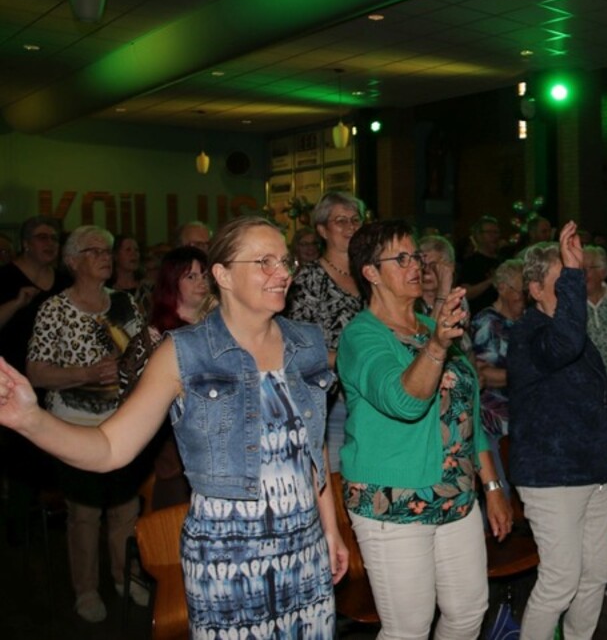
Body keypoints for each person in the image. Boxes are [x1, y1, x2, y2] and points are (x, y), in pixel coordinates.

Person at [0, 216, 349, 637]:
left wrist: (330, 530)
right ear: (223, 275)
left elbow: (312, 448)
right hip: (228, 560)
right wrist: (31, 419)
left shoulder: (307, 343)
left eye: (285, 260)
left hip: (305, 549)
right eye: (264, 262)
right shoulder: (184, 353)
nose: (282, 273)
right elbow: (110, 448)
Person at [337, 219, 512, 639]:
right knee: (409, 629)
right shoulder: (361, 336)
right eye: (401, 259)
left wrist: (491, 487)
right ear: (371, 272)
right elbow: (404, 402)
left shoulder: (433, 327)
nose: (416, 265)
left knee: (468, 613)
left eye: (415, 256)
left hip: (456, 495)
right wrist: (436, 348)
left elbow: (468, 414)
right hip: (394, 500)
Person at [508, 221, 607, 639]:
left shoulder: (576, 339)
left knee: (597, 572)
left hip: (592, 473)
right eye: (565, 278)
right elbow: (563, 344)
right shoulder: (529, 333)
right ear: (536, 290)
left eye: (577, 275)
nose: (575, 284)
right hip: (552, 477)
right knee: (560, 582)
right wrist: (573, 271)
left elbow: (600, 395)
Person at [25, 225, 147, 621]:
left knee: (126, 507)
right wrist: (87, 374)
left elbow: (143, 355)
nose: (105, 256)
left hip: (123, 421)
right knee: (84, 513)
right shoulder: (54, 309)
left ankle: (125, 576)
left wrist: (130, 367)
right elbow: (36, 372)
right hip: (73, 425)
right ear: (72, 261)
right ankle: (86, 590)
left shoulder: (125, 303)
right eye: (94, 250)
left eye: (107, 250)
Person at [117, 246, 210, 510]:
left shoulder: (219, 330)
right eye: (191, 276)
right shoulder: (153, 339)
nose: (201, 282)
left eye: (204, 275)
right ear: (172, 284)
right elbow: (129, 403)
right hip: (172, 458)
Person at [0, 216, 69, 546]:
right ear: (26, 243)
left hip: (55, 380)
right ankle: (18, 526)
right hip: (13, 382)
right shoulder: (5, 277)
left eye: (54, 238)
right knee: (20, 457)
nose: (50, 243)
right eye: (42, 237)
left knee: (54, 449)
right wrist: (16, 303)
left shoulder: (64, 281)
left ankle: (52, 519)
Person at [286, 191, 364, 473]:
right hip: (327, 395)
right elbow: (295, 345)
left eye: (355, 220)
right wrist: (345, 360)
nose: (350, 227)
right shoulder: (309, 278)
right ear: (322, 230)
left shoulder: (369, 276)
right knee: (331, 477)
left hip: (367, 393)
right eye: (340, 221)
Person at [470, 258, 525, 490]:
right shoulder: (488, 323)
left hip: (521, 420)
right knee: (502, 492)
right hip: (495, 424)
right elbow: (484, 373)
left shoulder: (524, 320)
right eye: (521, 291)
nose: (525, 298)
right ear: (502, 288)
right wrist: (531, 375)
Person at [583, 245, 607, 393]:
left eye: (586, 269)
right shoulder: (570, 306)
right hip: (584, 391)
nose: (581, 274)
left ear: (603, 271)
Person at [458, 215, 503, 315]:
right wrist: (490, 281)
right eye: (489, 232)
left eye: (496, 232)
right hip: (479, 316)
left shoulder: (502, 261)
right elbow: (465, 294)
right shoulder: (471, 263)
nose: (494, 236)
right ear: (478, 236)